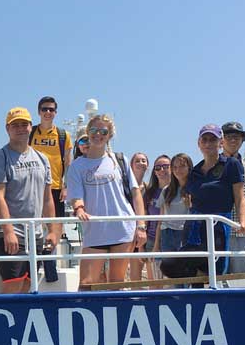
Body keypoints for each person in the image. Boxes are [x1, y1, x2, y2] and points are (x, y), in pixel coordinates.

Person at [65, 114, 146, 288]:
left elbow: (135, 193)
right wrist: (79, 209)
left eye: (104, 131)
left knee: (116, 282)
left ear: (109, 135)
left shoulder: (120, 160)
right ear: (88, 132)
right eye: (94, 130)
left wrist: (140, 225)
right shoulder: (77, 166)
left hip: (122, 227)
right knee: (86, 283)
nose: (98, 134)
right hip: (95, 230)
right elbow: (76, 195)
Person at [0, 107, 59, 293]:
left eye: (24, 124)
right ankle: (3, 321)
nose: (20, 128)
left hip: (35, 234)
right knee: (13, 286)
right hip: (11, 233)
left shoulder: (42, 159)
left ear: (30, 127)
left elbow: (47, 199)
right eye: (15, 125)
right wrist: (8, 230)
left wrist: (51, 229)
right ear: (7, 129)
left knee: (28, 286)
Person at [166, 124, 245, 279]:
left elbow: (240, 197)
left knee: (214, 270)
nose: (208, 143)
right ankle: (196, 286)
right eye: (205, 140)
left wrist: (244, 221)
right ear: (199, 144)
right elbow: (189, 196)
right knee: (169, 265)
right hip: (194, 227)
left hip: (218, 226)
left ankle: (205, 288)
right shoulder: (195, 172)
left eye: (213, 140)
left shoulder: (231, 164)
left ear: (221, 143)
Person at [221, 122, 245, 273]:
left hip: (242, 229)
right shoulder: (214, 163)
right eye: (229, 136)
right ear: (222, 140)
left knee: (240, 277)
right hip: (220, 230)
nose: (233, 140)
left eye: (237, 137)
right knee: (218, 278)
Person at [29, 96, 72, 217]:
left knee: (56, 226)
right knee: (33, 227)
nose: (48, 112)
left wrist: (66, 187)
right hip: (33, 187)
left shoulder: (63, 135)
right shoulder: (30, 133)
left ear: (55, 113)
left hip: (56, 188)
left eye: (51, 110)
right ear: (39, 112)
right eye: (44, 109)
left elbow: (68, 164)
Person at [156, 153, 192, 264]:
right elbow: (160, 220)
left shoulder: (195, 188)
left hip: (186, 232)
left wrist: (190, 205)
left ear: (189, 167)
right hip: (167, 233)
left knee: (185, 270)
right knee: (171, 271)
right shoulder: (167, 190)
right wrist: (156, 245)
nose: (178, 170)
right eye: (175, 167)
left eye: (182, 166)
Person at [140, 154, 170, 281]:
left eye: (165, 167)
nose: (161, 170)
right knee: (154, 282)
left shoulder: (178, 190)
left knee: (172, 282)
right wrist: (141, 247)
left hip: (172, 239)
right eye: (158, 168)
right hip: (151, 240)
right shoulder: (149, 192)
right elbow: (144, 218)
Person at [127, 152, 150, 282]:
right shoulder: (124, 188)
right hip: (128, 233)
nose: (141, 163)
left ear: (147, 165)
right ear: (131, 165)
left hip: (146, 234)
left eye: (143, 160)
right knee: (133, 278)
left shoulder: (149, 188)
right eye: (137, 161)